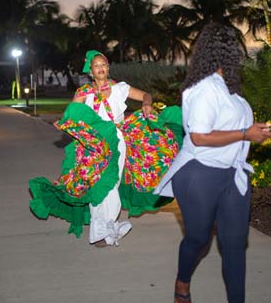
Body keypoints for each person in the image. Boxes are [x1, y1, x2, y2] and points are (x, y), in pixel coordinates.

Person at [155, 23, 271, 303]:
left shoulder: (230, 90)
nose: (239, 54)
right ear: (225, 51)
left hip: (232, 175)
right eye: (235, 48)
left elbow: (234, 128)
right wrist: (246, 134)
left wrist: (255, 132)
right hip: (199, 174)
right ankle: (182, 280)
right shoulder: (204, 88)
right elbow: (199, 137)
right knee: (198, 239)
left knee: (235, 243)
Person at [29, 50, 182, 247]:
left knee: (111, 182)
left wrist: (146, 104)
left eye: (103, 65)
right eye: (96, 65)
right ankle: (103, 229)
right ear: (91, 71)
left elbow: (146, 94)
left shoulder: (119, 88)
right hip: (93, 144)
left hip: (117, 140)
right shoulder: (83, 92)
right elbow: (72, 113)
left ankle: (103, 228)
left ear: (108, 68)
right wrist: (64, 122)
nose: (101, 68)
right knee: (97, 183)